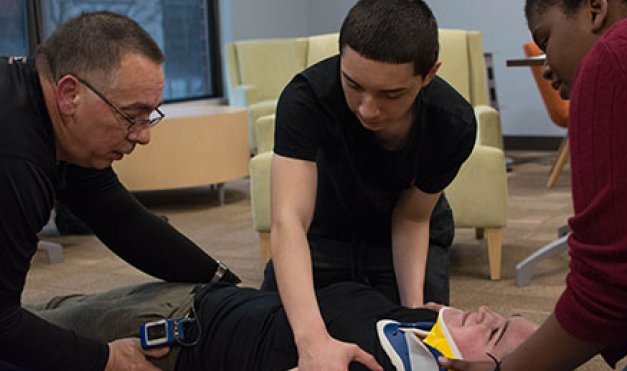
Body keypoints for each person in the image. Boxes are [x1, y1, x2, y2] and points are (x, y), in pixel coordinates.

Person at [0, 11, 240, 371]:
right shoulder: (17, 159)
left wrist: (222, 282)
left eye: (150, 116)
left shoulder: (47, 113)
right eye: (131, 115)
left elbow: (121, 219)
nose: (143, 135)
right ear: (69, 95)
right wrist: (106, 359)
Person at [440, 0, 627, 370]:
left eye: (546, 40)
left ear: (595, 8)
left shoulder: (618, 56)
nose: (545, 69)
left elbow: (610, 289)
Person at [265, 0, 477, 369]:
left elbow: (411, 219)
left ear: (428, 75)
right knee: (272, 333)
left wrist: (410, 312)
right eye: (353, 85)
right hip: (323, 231)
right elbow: (288, 221)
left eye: (391, 94)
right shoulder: (306, 99)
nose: (367, 109)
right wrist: (312, 341)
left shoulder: (451, 122)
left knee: (420, 351)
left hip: (404, 234)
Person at [29, 281, 538, 371]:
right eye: (503, 316)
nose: (490, 314)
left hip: (164, 338)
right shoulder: (416, 319)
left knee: (22, 334)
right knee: (45, 305)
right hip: (200, 295)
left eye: (494, 333)